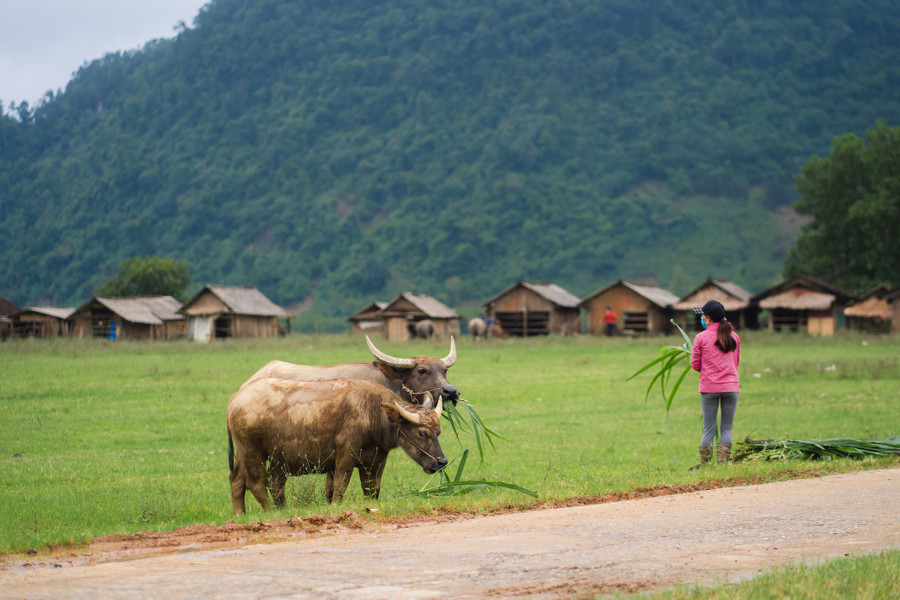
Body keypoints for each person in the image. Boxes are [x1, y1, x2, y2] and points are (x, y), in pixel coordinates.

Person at [689, 300, 740, 468]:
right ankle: (723, 464)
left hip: (709, 388)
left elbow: (695, 364)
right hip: (731, 388)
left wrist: (709, 371)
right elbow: (736, 362)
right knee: (726, 428)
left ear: (708, 318)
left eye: (703, 316)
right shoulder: (734, 336)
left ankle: (705, 465)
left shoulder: (700, 337)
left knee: (709, 429)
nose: (701, 318)